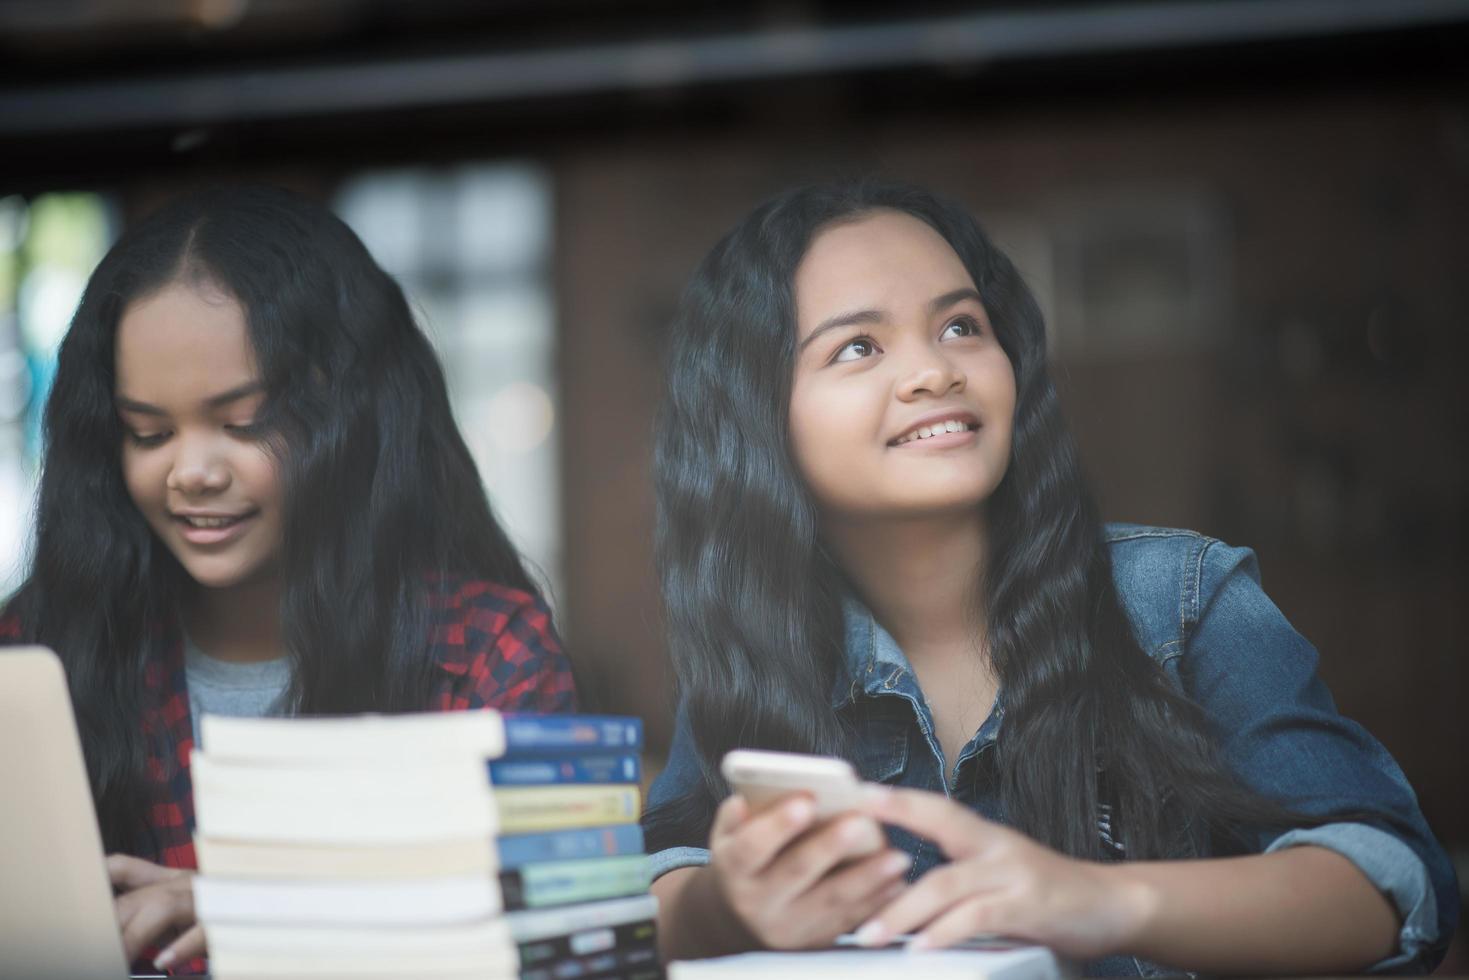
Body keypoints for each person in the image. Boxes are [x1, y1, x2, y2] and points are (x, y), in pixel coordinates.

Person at [642, 180, 1456, 975]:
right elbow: (658, 889)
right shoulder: (758, 641)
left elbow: (1389, 879)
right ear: (755, 414)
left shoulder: (1178, 598)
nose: (934, 371)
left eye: (961, 325)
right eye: (858, 346)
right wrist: (728, 910)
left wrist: (1097, 900)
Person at [0, 185, 577, 972]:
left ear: (349, 419)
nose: (192, 472)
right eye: (149, 433)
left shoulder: (483, 653)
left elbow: (566, 929)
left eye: (243, 424)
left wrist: (258, 909)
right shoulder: (34, 657)